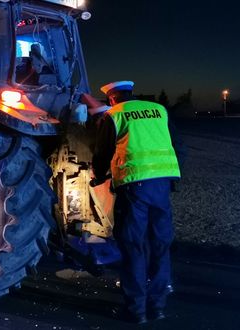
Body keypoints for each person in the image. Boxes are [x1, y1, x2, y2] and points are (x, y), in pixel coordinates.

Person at [84, 81, 181, 324]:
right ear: (131, 93)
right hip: (162, 184)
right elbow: (175, 144)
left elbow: (103, 152)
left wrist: (97, 175)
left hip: (135, 187)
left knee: (133, 245)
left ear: (112, 99)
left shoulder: (114, 115)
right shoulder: (158, 110)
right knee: (160, 244)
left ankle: (136, 310)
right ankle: (157, 306)